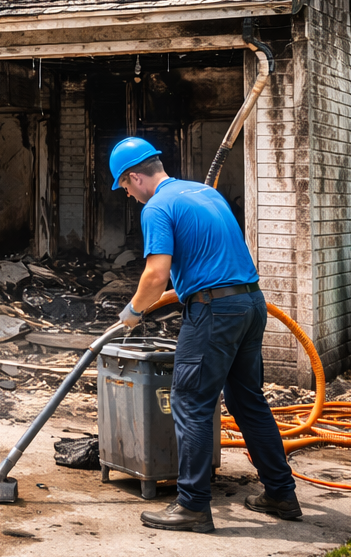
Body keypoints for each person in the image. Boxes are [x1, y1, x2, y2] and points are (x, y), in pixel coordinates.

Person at [110, 136, 300, 534]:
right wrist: (166, 297)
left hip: (215, 312)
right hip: (250, 304)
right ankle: (281, 493)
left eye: (125, 187)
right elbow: (214, 266)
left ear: (134, 178)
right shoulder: (201, 192)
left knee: (191, 401)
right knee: (247, 400)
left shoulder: (158, 206)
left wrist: (133, 311)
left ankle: (193, 505)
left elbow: (155, 274)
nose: (128, 196)